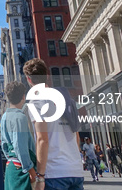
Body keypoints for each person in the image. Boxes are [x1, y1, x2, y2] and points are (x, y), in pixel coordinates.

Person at [23, 58, 84, 190]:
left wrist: (40, 176)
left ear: (28, 79)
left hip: (54, 173)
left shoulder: (36, 101)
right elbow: (76, 134)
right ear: (47, 76)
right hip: (75, 170)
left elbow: (42, 139)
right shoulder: (67, 98)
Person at [0, 81, 38, 190]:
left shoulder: (4, 117)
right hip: (22, 169)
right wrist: (30, 170)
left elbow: (4, 145)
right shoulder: (20, 117)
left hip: (11, 166)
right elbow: (20, 147)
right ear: (23, 96)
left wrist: (11, 158)